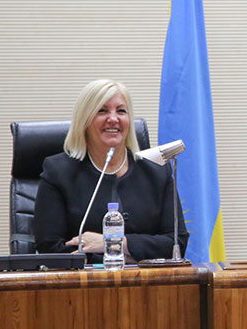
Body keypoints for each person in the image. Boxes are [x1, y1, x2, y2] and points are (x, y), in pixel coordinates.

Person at [33, 79, 188, 263]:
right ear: (85, 120)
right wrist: (133, 255)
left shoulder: (156, 172)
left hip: (148, 286)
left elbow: (176, 243)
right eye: (102, 110)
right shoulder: (59, 172)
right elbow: (51, 248)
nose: (113, 119)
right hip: (83, 286)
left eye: (121, 111)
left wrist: (113, 243)